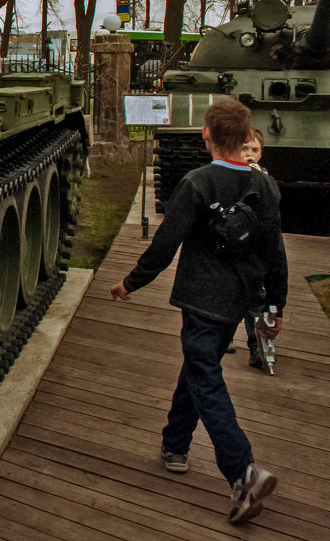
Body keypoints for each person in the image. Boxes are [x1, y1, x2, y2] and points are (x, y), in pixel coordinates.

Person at [111, 100, 287, 525]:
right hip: (239, 302)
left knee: (205, 376)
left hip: (201, 300)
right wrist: (274, 306)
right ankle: (175, 445)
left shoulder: (197, 183)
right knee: (198, 365)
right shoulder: (266, 187)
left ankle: (242, 471)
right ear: (247, 139)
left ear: (206, 134)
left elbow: (166, 243)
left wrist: (130, 282)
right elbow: (275, 252)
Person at [227, 128, 269, 366]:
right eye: (245, 149)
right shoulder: (230, 177)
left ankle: (256, 347)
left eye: (254, 150)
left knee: (256, 300)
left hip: (254, 249)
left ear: (261, 154)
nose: (249, 154)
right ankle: (226, 337)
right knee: (230, 294)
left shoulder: (265, 179)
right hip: (233, 246)